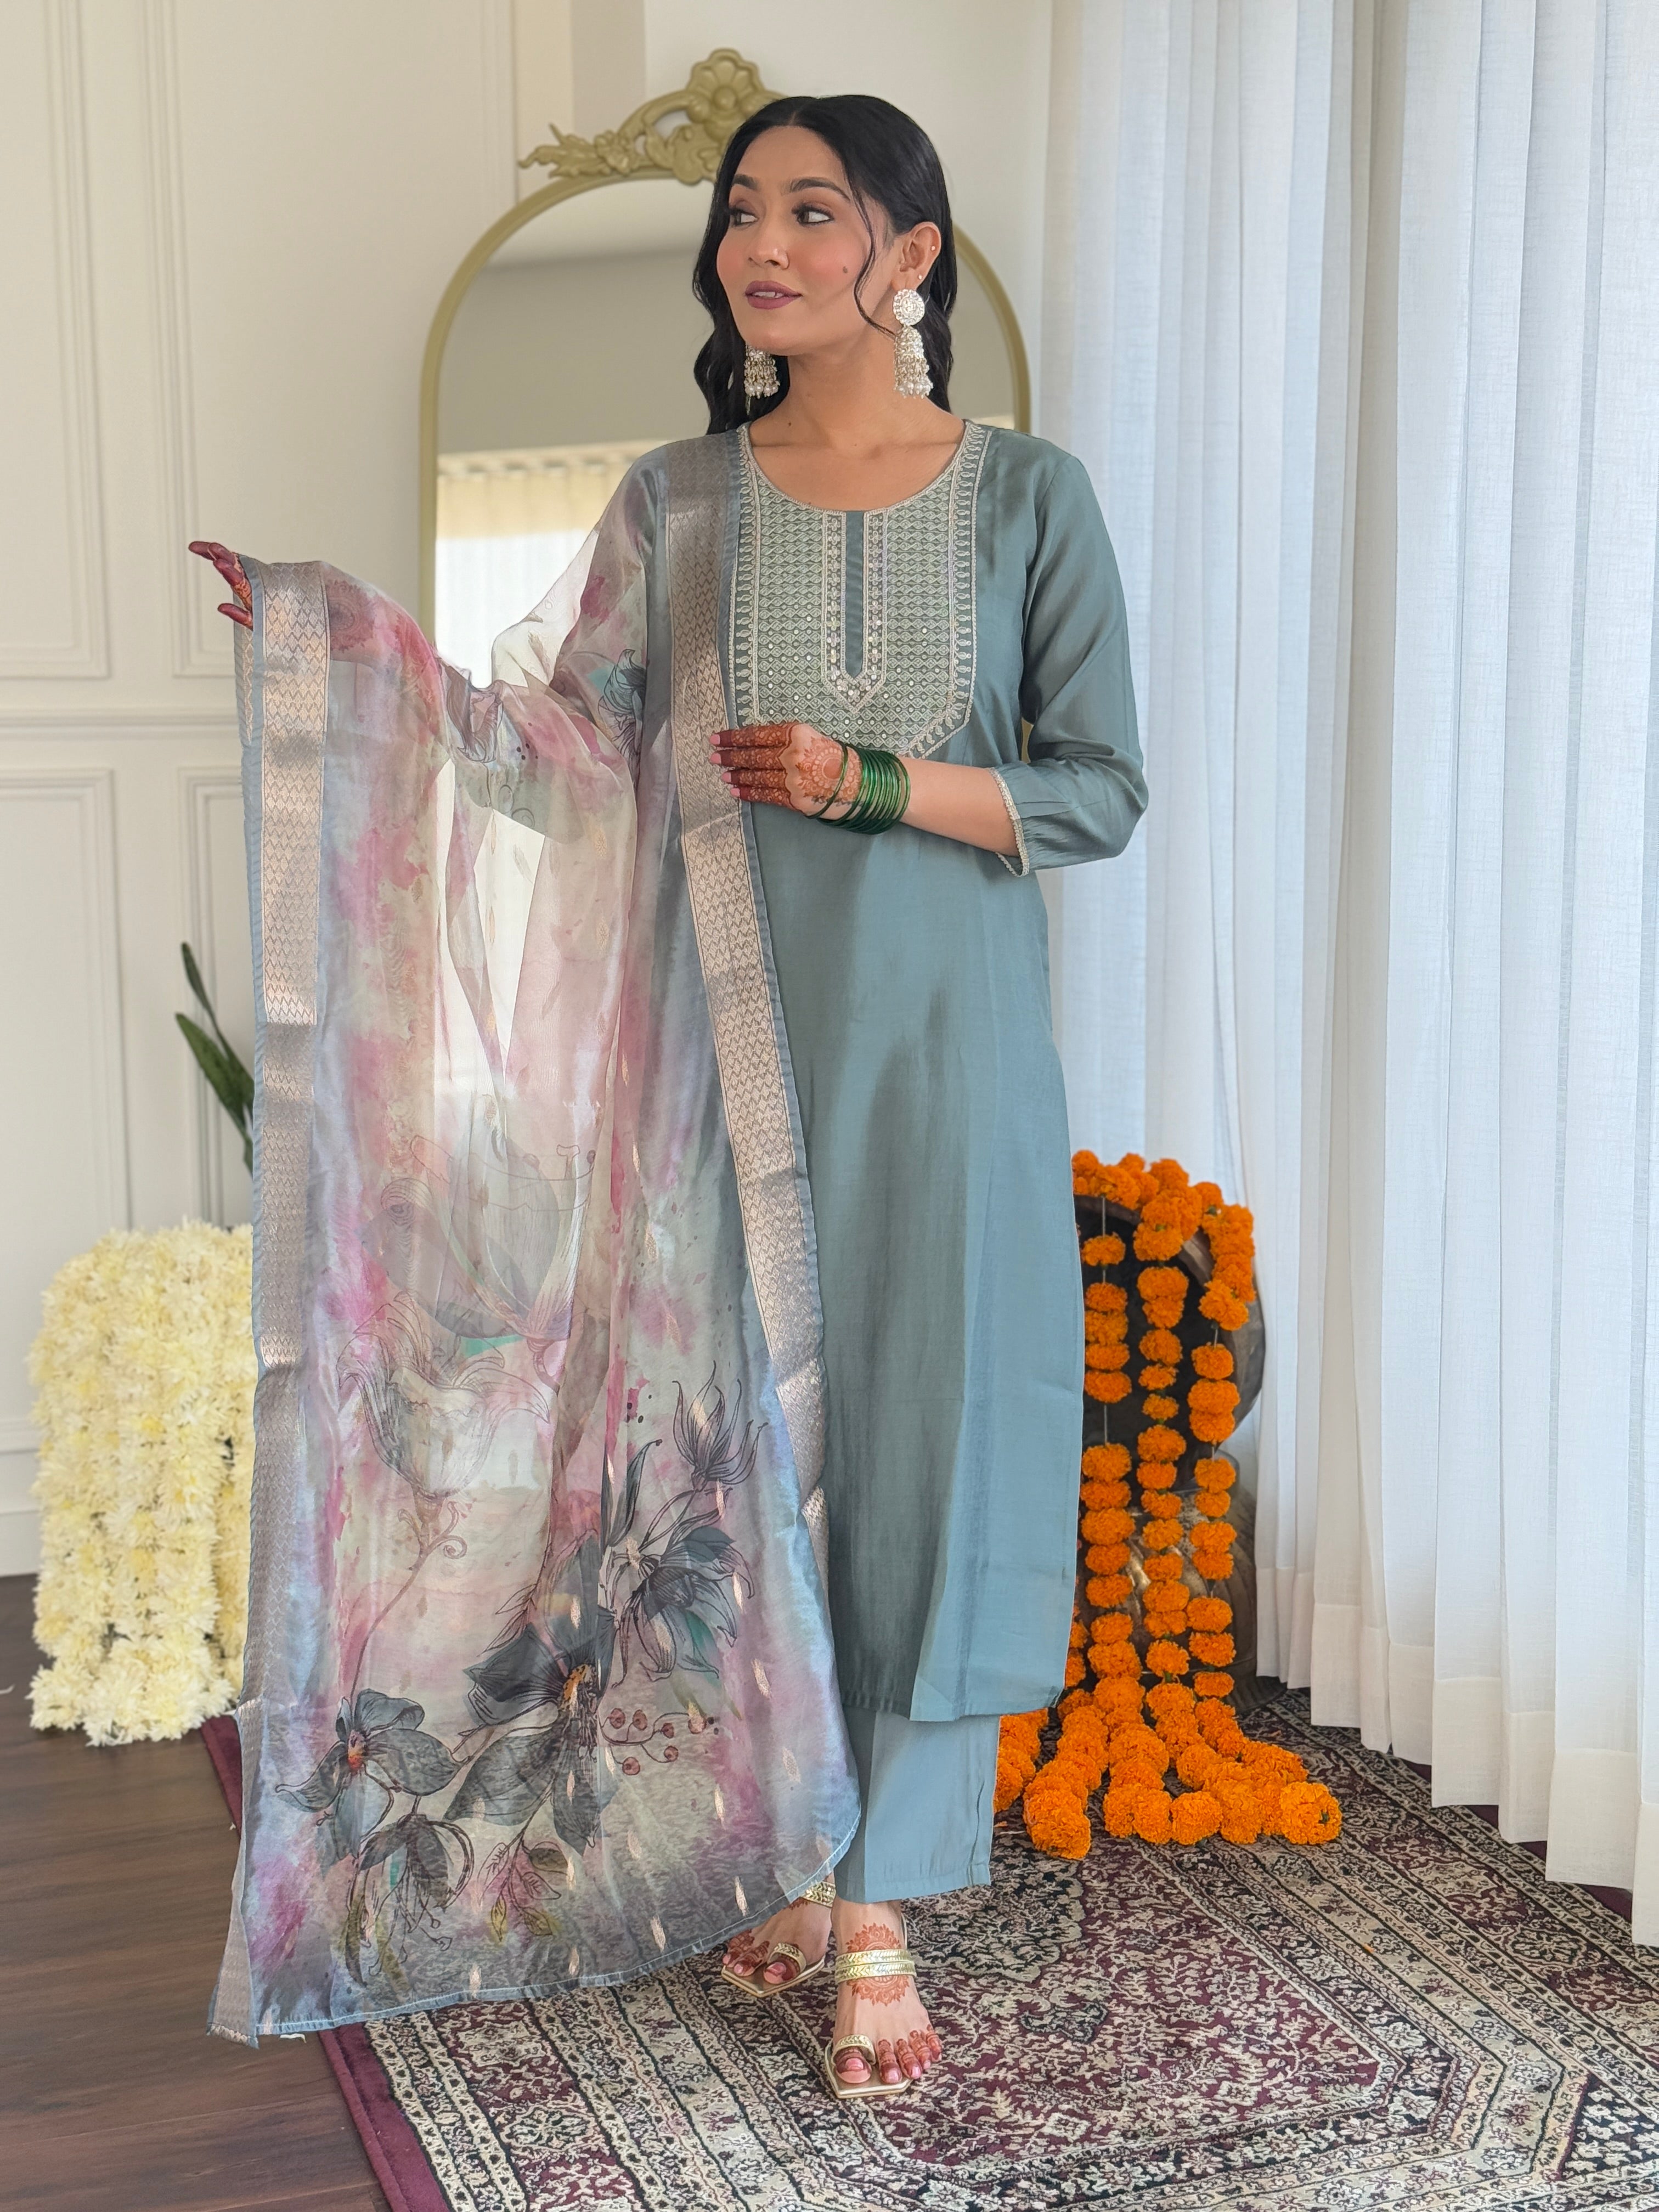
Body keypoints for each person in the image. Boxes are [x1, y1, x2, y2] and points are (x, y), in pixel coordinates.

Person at [194, 92, 1144, 2100]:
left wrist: (878, 783)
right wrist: (347, 652)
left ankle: (876, 1894)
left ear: (912, 253)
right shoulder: (678, 505)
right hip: (721, 1052)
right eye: (740, 214)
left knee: (930, 1425)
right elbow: (559, 747)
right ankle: (791, 1841)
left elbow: (1100, 791)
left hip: (945, 1048)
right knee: (740, 1442)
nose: (759, 245)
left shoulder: (1031, 496)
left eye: (813, 210)